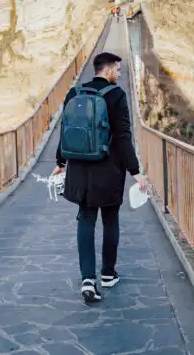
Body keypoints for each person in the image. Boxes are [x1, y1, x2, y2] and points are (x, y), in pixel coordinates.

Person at [52, 51, 147, 302]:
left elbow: (66, 131)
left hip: (80, 170)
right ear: (107, 70)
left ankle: (87, 280)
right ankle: (107, 274)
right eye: (118, 70)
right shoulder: (116, 95)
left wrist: (61, 162)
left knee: (85, 220)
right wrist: (136, 172)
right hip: (109, 170)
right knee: (110, 220)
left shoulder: (74, 94)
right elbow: (124, 138)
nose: (119, 74)